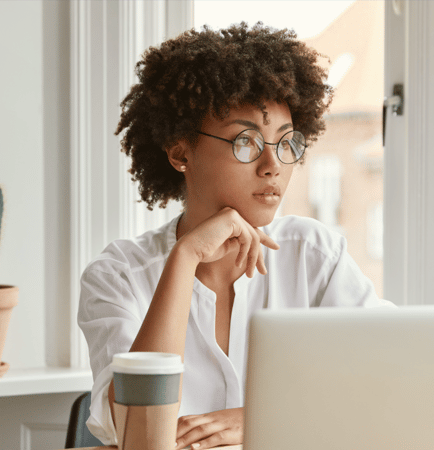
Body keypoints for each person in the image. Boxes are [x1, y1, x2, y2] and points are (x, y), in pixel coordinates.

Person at [78, 22, 394, 449]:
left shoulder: (314, 255)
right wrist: (185, 257)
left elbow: (388, 376)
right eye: (245, 141)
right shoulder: (118, 276)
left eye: (286, 142)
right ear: (180, 151)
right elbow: (137, 432)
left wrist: (264, 418)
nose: (272, 165)